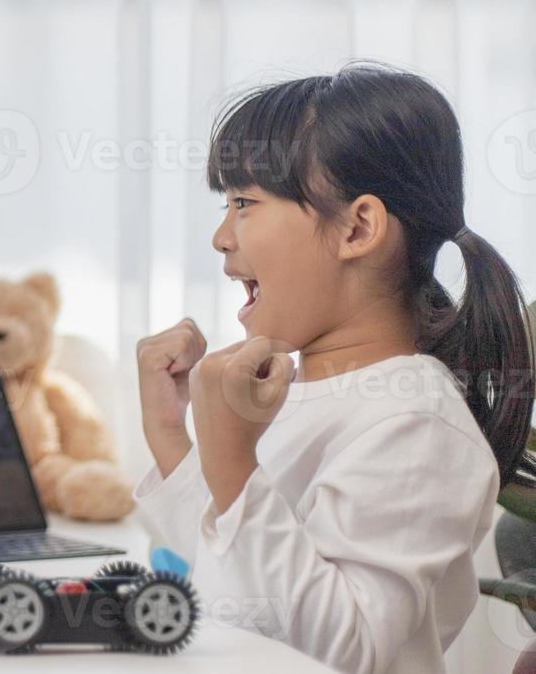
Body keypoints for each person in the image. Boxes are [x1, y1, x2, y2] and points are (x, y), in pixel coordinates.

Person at [135, 63, 533, 674]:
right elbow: (236, 587)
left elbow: (345, 650)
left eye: (244, 202)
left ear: (357, 227)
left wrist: (235, 463)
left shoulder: (416, 423)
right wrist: (173, 434)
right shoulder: (302, 397)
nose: (220, 236)